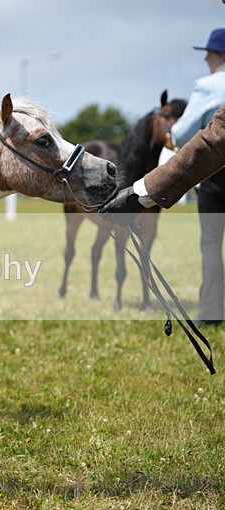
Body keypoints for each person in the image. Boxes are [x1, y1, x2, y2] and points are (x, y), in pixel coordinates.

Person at [101, 28, 225, 325]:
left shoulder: (208, 85)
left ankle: (212, 313)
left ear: (220, 55)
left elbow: (182, 134)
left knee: (211, 242)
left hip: (217, 175)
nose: (205, 58)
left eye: (208, 53)